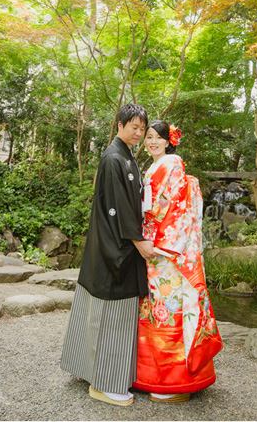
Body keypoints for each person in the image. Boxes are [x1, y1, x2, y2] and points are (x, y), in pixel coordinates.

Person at [60, 104, 153, 407]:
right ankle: (105, 384)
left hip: (113, 243)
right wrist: (139, 243)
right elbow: (121, 209)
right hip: (116, 247)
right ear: (120, 125)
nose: (138, 132)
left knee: (102, 313)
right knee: (113, 317)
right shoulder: (115, 158)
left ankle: (90, 370)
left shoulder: (125, 156)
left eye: (142, 128)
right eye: (134, 126)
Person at [133, 121, 223, 402]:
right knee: (160, 309)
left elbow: (170, 206)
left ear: (169, 142)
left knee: (168, 308)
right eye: (148, 137)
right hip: (159, 249)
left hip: (166, 252)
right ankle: (156, 377)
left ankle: (173, 383)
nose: (152, 142)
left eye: (158, 138)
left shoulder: (170, 164)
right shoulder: (156, 165)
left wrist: (152, 240)